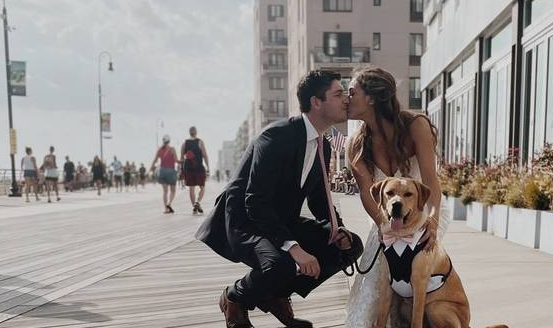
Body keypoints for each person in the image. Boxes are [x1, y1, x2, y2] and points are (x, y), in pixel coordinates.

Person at [197, 70, 363, 328]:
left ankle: (275, 295)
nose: (346, 100)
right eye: (338, 94)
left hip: (280, 222)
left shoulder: (324, 145)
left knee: (351, 246)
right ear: (316, 102)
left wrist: (337, 229)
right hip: (246, 221)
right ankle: (235, 296)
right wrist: (294, 248)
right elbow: (255, 201)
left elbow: (320, 199)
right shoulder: (276, 137)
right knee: (282, 264)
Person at [343, 66, 447, 327]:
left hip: (424, 212)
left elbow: (432, 184)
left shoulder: (416, 126)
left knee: (418, 284)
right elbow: (369, 198)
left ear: (371, 98)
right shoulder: (355, 144)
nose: (347, 98)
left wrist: (431, 224)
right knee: (373, 290)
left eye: (352, 92)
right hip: (384, 220)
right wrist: (385, 228)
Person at [181, 127, 209, 215]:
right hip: (198, 167)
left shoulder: (185, 143)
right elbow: (205, 155)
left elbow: (182, 158)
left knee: (191, 188)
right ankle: (197, 202)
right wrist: (208, 166)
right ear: (196, 132)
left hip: (188, 168)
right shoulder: (200, 142)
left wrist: (181, 170)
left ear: (189, 133)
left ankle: (194, 207)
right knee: (202, 187)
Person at [151, 136, 178, 213]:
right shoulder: (172, 149)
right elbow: (176, 160)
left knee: (165, 191)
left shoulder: (160, 149)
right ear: (169, 141)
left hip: (162, 171)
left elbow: (155, 160)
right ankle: (169, 203)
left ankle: (166, 209)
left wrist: (150, 169)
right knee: (173, 191)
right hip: (171, 171)